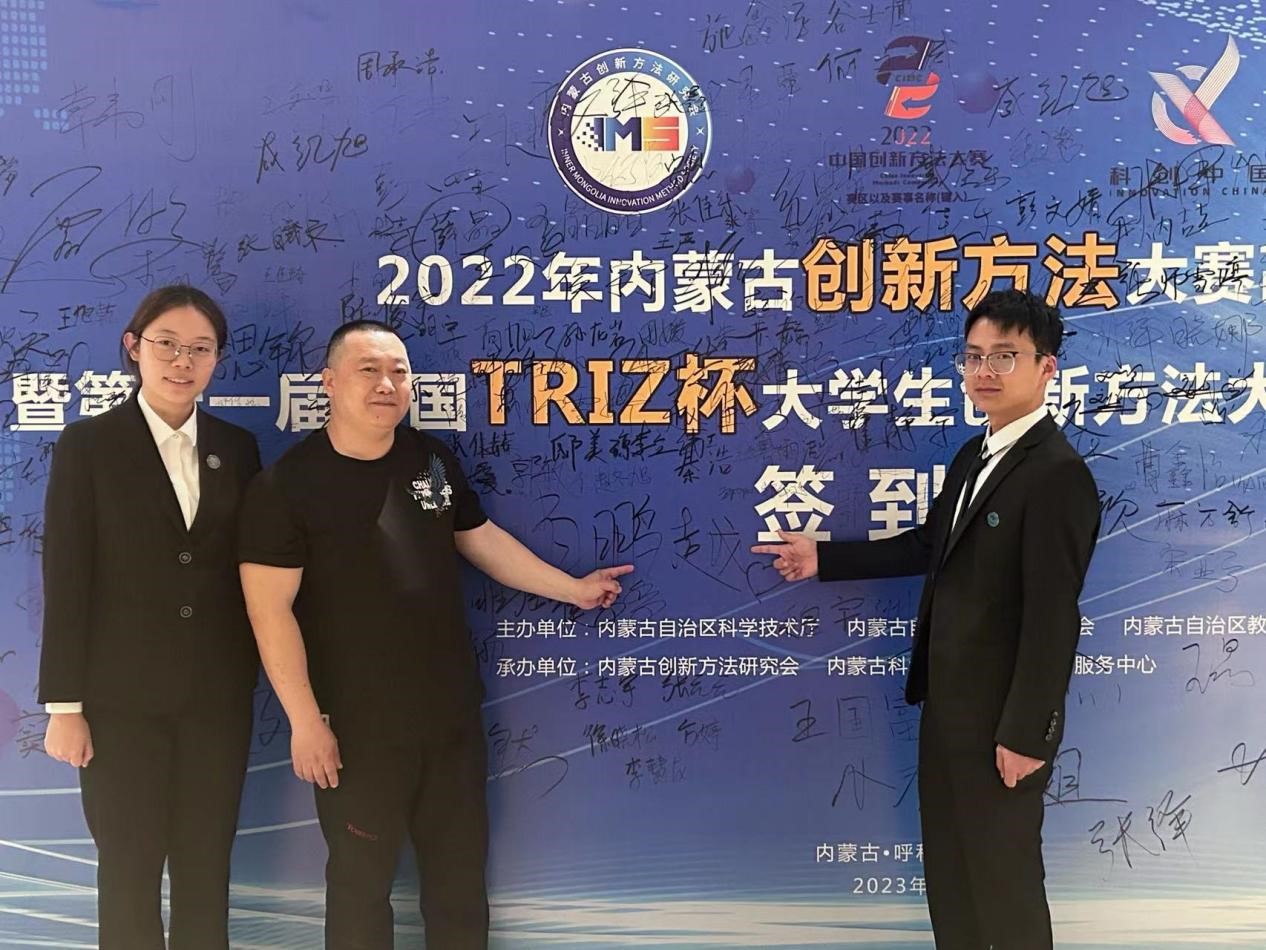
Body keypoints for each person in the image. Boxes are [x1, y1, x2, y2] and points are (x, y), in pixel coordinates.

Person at [237, 319, 633, 950]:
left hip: (450, 719)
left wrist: (573, 590)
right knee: (360, 889)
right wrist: (306, 722)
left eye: (399, 372)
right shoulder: (284, 486)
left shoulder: (431, 459)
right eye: (369, 370)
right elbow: (269, 612)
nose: (386, 384)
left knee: (459, 888)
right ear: (329, 383)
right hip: (357, 730)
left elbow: (480, 540)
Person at [753, 290, 1100, 950]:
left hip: (1002, 725)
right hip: (946, 710)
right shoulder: (975, 455)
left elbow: (1054, 617)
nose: (985, 371)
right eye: (974, 356)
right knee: (952, 881)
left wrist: (1026, 734)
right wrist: (822, 558)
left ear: (1046, 368)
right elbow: (926, 545)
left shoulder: (1057, 475)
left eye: (1005, 356)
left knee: (1005, 886)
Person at [39, 285, 261, 950]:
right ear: (134, 347)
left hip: (215, 701)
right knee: (129, 873)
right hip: (119, 704)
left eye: (201, 349)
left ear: (216, 359)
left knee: (205, 870)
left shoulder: (238, 449)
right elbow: (67, 576)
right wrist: (65, 706)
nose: (182, 361)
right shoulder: (88, 445)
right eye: (167, 344)